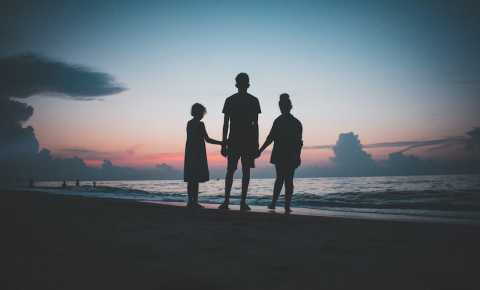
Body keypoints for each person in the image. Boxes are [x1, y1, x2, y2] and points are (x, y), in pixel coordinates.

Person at [219, 73, 261, 211]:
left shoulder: (234, 100)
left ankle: (230, 201)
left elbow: (255, 124)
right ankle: (236, 201)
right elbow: (255, 125)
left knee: (235, 171)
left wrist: (224, 143)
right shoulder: (249, 100)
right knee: (240, 171)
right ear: (246, 84)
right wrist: (224, 143)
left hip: (240, 141)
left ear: (237, 84)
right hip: (241, 141)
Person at [258, 93, 303, 214]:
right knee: (288, 180)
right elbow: (299, 143)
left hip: (282, 154)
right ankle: (286, 206)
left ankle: (274, 203)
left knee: (280, 179)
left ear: (281, 107)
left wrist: (260, 150)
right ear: (290, 107)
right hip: (290, 154)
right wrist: (298, 156)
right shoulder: (296, 122)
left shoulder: (279, 121)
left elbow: (270, 138)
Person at [184, 103, 223, 208]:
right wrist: (222, 143)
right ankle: (194, 202)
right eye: (203, 112)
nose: (203, 114)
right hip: (198, 153)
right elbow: (208, 139)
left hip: (189, 152)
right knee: (195, 179)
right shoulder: (200, 124)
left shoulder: (189, 123)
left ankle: (190, 201)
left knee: (191, 178)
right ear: (200, 112)